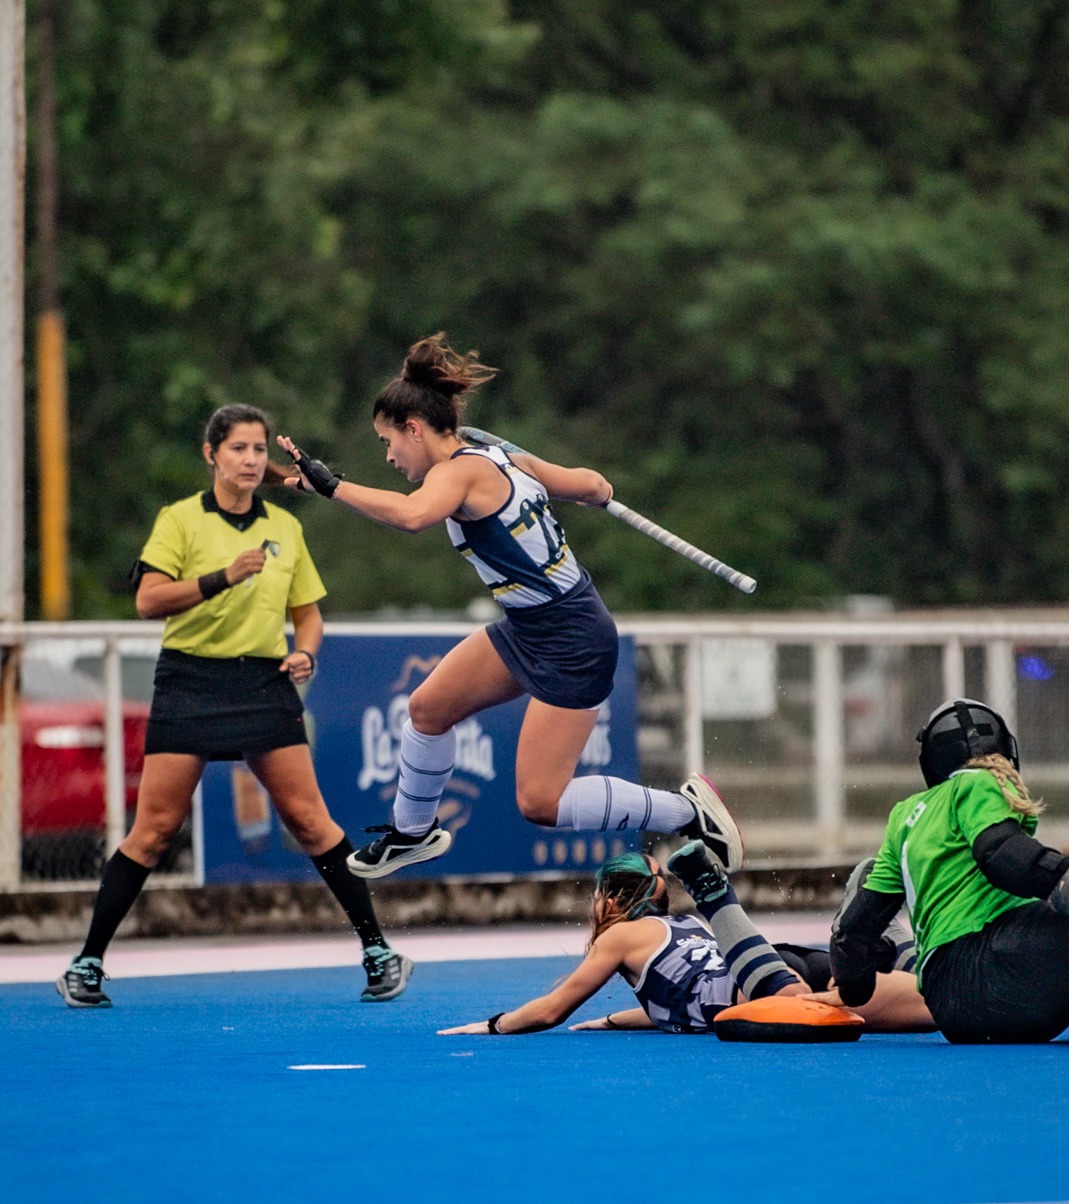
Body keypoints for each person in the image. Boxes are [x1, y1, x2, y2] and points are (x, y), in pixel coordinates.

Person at [275, 333, 741, 879]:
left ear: (414, 428)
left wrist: (333, 487)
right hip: (530, 626)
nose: (389, 456)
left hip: (571, 637)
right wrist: (592, 490)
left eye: (388, 442)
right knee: (427, 711)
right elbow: (590, 484)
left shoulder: (460, 471)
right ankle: (412, 832)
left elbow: (410, 517)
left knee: (540, 801)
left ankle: (688, 812)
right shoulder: (499, 455)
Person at [56, 405, 412, 1008]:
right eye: (238, 448)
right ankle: (87, 963)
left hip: (262, 683)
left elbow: (307, 614)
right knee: (154, 831)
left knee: (309, 821)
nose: (249, 459)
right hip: (190, 682)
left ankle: (377, 951)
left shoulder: (286, 529)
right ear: (211, 455)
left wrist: (307, 653)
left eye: (257, 449)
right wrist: (222, 577)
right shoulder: (180, 521)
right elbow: (147, 602)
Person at [826, 699, 1069, 1043]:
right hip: (989, 968)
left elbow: (853, 931)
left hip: (947, 1005)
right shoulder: (978, 782)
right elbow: (1000, 854)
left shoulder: (904, 815)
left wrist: (855, 985)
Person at [438, 844, 935, 1036]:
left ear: (609, 899)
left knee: (804, 1012)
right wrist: (613, 1020)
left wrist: (492, 1025)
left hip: (760, 986)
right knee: (933, 1003)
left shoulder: (620, 937)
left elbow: (551, 1009)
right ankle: (897, 939)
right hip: (769, 962)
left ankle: (718, 893)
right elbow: (677, 998)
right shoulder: (684, 928)